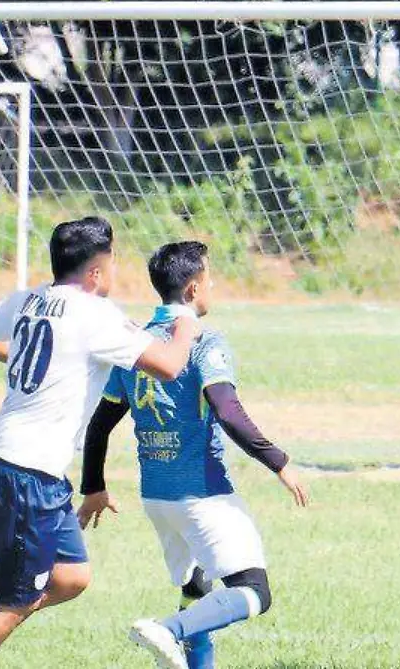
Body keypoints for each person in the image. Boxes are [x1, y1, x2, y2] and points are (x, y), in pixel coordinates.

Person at [0, 217, 199, 668]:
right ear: (97, 273)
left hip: (6, 462)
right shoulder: (96, 314)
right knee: (17, 598)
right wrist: (185, 323)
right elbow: (168, 365)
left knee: (69, 577)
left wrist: (24, 355)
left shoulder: (31, 298)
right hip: (25, 473)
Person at [77, 241, 309, 669]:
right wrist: (280, 461)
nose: (213, 285)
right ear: (192, 290)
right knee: (254, 590)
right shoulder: (203, 342)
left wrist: (93, 486)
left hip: (157, 499)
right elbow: (226, 410)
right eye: (209, 279)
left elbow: (100, 424)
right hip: (201, 493)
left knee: (199, 586)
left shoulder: (137, 344)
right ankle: (169, 630)